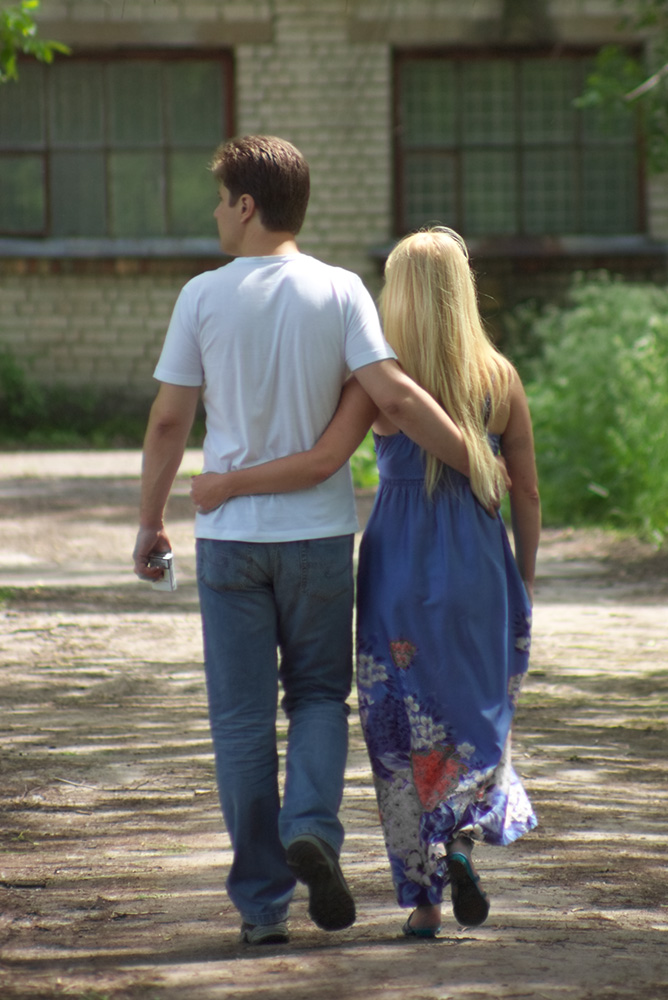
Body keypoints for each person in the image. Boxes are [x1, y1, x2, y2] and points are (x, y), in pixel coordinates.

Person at [133, 139, 503, 947]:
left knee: (240, 723)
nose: (216, 213)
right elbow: (395, 397)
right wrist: (474, 460)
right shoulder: (341, 290)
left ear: (246, 206)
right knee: (315, 699)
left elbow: (168, 421)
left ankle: (264, 909)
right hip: (320, 541)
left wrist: (150, 519)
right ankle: (311, 827)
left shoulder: (201, 296)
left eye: (220, 199)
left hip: (231, 543)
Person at [190, 226, 541, 938]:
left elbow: (321, 460)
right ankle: (461, 844)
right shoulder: (499, 379)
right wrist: (521, 581)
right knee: (473, 715)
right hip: (479, 569)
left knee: (400, 728)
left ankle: (424, 901)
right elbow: (527, 493)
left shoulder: (376, 385)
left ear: (398, 298)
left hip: (397, 573)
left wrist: (227, 483)